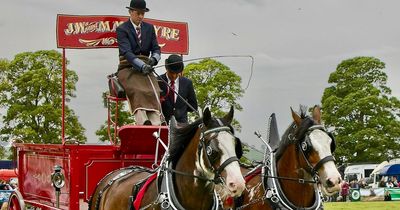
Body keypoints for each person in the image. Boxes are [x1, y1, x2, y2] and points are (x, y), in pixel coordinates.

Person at [116, 0, 162, 125]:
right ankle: (143, 122)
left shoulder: (149, 28)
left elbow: (156, 48)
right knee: (138, 90)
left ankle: (157, 121)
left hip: (147, 68)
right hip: (128, 68)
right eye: (138, 13)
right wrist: (141, 66)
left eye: (143, 13)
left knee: (155, 90)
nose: (141, 16)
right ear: (130, 12)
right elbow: (127, 53)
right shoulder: (122, 29)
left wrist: (154, 59)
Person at [158, 54, 198, 125]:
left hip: (182, 125)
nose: (174, 76)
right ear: (166, 68)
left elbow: (193, 106)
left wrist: (181, 110)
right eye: (171, 72)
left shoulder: (187, 83)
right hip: (162, 124)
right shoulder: (158, 81)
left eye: (177, 73)